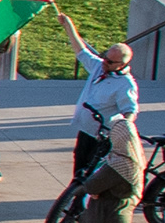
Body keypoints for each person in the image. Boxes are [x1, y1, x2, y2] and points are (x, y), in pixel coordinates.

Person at [53, 12, 135, 184]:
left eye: (110, 62)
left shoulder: (125, 84)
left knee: (90, 177)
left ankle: (81, 205)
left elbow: (130, 111)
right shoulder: (99, 68)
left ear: (122, 65)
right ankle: (75, 203)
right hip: (85, 131)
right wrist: (68, 25)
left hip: (101, 137)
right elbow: (81, 51)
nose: (104, 62)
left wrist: (119, 132)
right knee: (79, 170)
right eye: (105, 57)